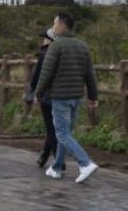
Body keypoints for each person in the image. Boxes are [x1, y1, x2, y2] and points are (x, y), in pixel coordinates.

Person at [35, 13, 99, 183]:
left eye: (54, 24)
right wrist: (92, 96)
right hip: (76, 97)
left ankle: (85, 163)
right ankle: (57, 168)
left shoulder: (56, 46)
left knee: (62, 134)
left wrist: (38, 93)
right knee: (65, 133)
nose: (53, 27)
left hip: (60, 96)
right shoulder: (83, 46)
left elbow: (46, 73)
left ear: (62, 26)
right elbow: (90, 74)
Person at [26, 29, 59, 169]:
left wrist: (33, 92)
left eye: (45, 38)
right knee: (54, 126)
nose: (43, 40)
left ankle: (58, 159)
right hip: (63, 95)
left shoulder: (45, 53)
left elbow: (37, 76)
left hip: (47, 95)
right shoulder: (63, 52)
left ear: (50, 40)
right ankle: (44, 155)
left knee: (51, 127)